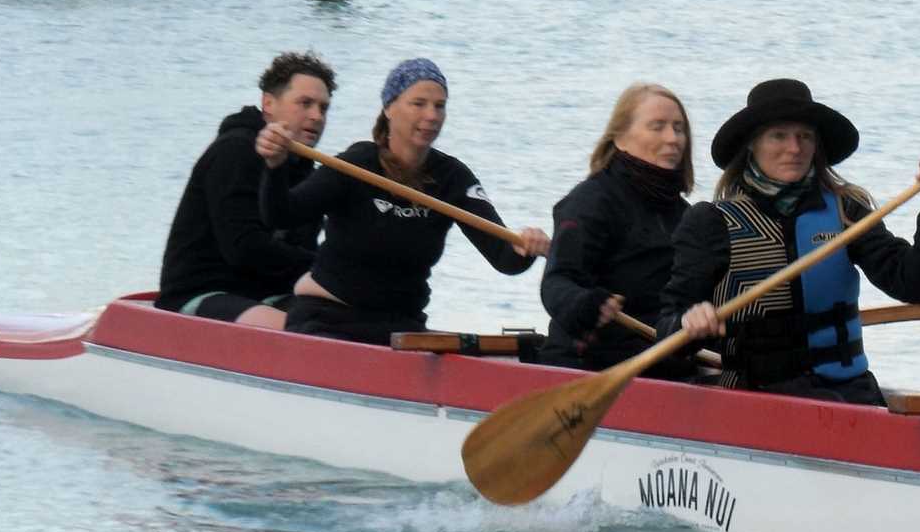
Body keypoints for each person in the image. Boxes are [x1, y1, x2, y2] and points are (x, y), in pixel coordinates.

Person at [659, 78, 920, 403]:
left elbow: (915, 285)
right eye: (779, 136)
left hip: (851, 396)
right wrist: (687, 323)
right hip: (755, 403)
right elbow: (668, 328)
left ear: (817, 146)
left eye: (805, 136)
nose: (794, 148)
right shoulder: (711, 222)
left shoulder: (847, 211)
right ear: (751, 145)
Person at [254, 58, 549, 345]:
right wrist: (276, 166)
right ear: (389, 108)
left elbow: (503, 257)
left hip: (402, 327)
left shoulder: (452, 178)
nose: (432, 115)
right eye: (418, 104)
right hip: (327, 318)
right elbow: (281, 215)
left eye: (439, 106)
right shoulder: (357, 163)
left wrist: (525, 248)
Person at [156, 51, 336, 329]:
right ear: (268, 104)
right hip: (201, 291)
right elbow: (243, 248)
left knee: (345, 323)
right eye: (305, 103)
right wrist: (326, 269)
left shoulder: (306, 170)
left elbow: (299, 256)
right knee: (301, 330)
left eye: (323, 108)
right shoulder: (234, 151)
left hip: (264, 294)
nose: (316, 116)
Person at [539, 83, 697, 371]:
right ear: (620, 138)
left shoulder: (687, 216)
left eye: (679, 128)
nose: (673, 138)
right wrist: (587, 304)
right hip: (588, 365)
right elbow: (557, 282)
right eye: (657, 127)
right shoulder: (590, 202)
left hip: (660, 364)